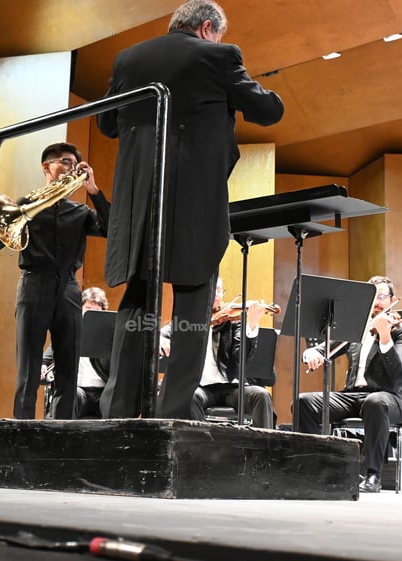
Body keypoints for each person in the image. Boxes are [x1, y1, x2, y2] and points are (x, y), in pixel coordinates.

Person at [97, 0, 284, 420]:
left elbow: (106, 124)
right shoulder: (219, 55)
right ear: (207, 28)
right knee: (194, 300)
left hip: (137, 200)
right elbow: (267, 110)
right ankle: (175, 412)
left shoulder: (129, 58)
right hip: (191, 197)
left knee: (137, 301)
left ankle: (118, 409)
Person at [0, 143, 110, 420]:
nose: (72, 168)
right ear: (47, 167)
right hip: (34, 285)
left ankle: (60, 437)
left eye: (74, 164)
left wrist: (94, 192)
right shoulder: (22, 206)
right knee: (29, 370)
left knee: (68, 371)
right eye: (66, 162)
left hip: (69, 289)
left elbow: (110, 229)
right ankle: (21, 437)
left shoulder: (80, 212)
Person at [297, 276, 402, 493]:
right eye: (372, 297)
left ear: (392, 300)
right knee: (305, 402)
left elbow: (398, 372)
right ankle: (315, 466)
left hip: (391, 398)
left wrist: (385, 336)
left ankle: (373, 475)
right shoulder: (357, 327)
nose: (377, 302)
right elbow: (325, 348)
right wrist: (312, 352)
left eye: (381, 296)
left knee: (376, 402)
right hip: (353, 396)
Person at [161, 277, 275, 428]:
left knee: (261, 395)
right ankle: (202, 445)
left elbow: (241, 356)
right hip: (201, 387)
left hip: (230, 387)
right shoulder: (189, 321)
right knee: (188, 397)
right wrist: (161, 339)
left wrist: (252, 325)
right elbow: (162, 333)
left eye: (220, 290)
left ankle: (264, 447)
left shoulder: (233, 322)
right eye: (214, 289)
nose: (217, 294)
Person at [42, 287, 111, 418]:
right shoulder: (69, 333)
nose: (92, 317)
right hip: (79, 391)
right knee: (69, 396)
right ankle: (63, 436)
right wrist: (43, 366)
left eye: (97, 312)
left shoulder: (110, 337)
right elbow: (46, 359)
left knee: (115, 401)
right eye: (88, 310)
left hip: (103, 394)